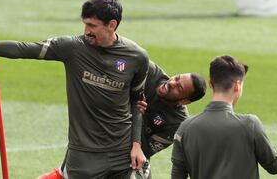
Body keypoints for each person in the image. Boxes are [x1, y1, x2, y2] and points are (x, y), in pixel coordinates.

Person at [0, 0, 149, 179]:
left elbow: (136, 102)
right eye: (84, 24)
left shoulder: (136, 57)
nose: (86, 31)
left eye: (92, 26)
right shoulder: (72, 48)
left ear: (112, 25)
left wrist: (136, 144)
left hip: (122, 153)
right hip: (83, 155)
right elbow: (24, 48)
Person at [37, 61, 207, 179]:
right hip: (100, 133)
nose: (172, 83)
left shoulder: (177, 124)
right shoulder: (149, 72)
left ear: (184, 101)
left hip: (126, 157)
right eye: (176, 77)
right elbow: (114, 72)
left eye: (179, 88)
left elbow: (144, 152)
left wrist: (135, 116)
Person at [171, 55, 277, 179]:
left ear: (210, 84)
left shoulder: (185, 128)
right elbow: (274, 166)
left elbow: (177, 175)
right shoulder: (250, 124)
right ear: (237, 85)